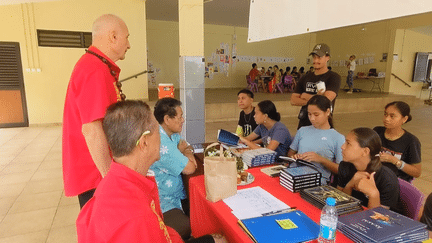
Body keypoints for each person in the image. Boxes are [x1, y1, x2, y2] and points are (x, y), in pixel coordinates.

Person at [76, 100, 225, 243]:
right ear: (144, 142)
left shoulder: (117, 182)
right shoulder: (137, 217)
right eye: (157, 132)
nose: (161, 138)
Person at [62, 14, 131, 208]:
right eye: (126, 37)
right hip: (95, 176)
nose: (128, 45)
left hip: (96, 173)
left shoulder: (97, 66)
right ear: (113, 37)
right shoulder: (94, 69)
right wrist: (110, 180)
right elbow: (92, 130)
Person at [151, 98, 198, 240]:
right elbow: (190, 168)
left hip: (177, 194)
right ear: (167, 119)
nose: (183, 120)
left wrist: (183, 151)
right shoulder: (161, 142)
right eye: (180, 117)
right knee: (191, 225)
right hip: (164, 201)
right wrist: (184, 152)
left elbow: (187, 146)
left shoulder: (172, 134)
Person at [337, 127, 400, 211]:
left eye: (348, 143)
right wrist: (350, 185)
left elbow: (378, 218)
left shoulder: (387, 179)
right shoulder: (344, 166)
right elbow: (339, 203)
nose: (342, 147)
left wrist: (373, 194)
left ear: (365, 151)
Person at [288, 95, 345, 185]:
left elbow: (340, 170)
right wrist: (294, 157)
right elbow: (291, 153)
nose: (312, 118)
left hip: (316, 181)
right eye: (309, 114)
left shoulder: (338, 138)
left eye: (316, 114)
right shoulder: (302, 130)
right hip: (293, 174)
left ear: (327, 112)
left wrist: (320, 159)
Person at [290, 43, 341, 130]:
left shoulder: (334, 77)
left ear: (327, 57)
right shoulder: (305, 77)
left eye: (319, 57)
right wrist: (316, 98)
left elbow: (326, 100)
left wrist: (305, 96)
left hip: (323, 124)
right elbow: (293, 100)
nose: (316, 60)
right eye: (314, 57)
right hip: (304, 123)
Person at [373, 101, 421, 182]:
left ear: (404, 119)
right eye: (385, 114)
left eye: (392, 116)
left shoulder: (411, 141)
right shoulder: (377, 131)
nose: (386, 119)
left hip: (396, 182)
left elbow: (417, 172)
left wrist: (395, 161)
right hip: (375, 176)